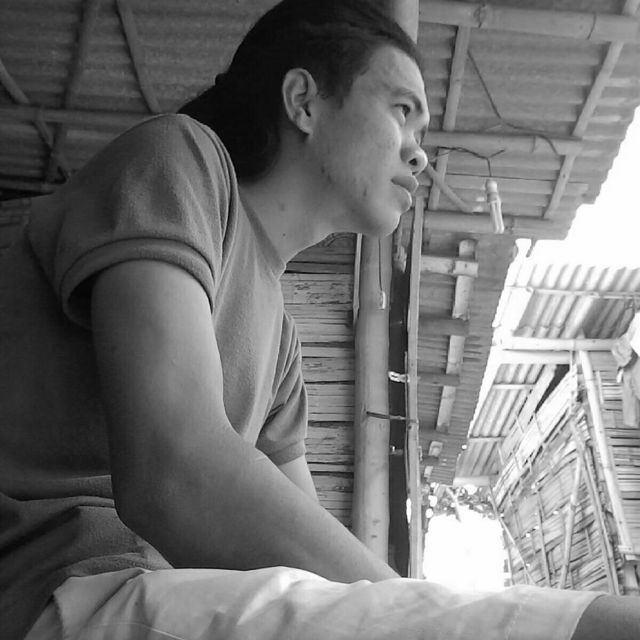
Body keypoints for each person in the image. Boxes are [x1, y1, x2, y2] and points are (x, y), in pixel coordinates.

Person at [0, 1, 638, 638]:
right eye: (402, 111)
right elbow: (176, 475)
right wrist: (413, 611)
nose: (420, 155)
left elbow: (305, 560)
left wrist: (401, 608)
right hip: (54, 593)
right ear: (304, 101)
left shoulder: (279, 341)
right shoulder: (177, 160)